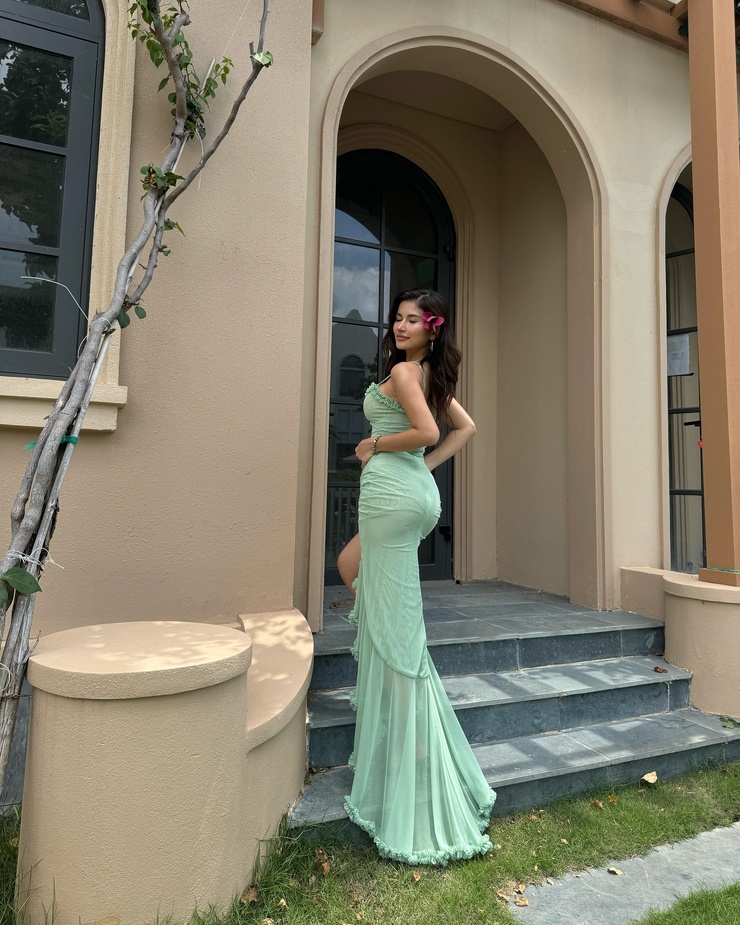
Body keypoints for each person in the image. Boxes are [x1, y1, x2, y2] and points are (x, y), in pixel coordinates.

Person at [337, 288, 496, 865]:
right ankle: (403, 720)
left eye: (413, 320)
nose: (401, 326)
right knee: (350, 568)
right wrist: (419, 471)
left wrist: (376, 445)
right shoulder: (427, 375)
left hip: (394, 497)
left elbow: (430, 432)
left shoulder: (408, 373)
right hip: (410, 493)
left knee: (397, 627)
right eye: (398, 318)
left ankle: (417, 746)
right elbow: (465, 427)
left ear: (432, 328)